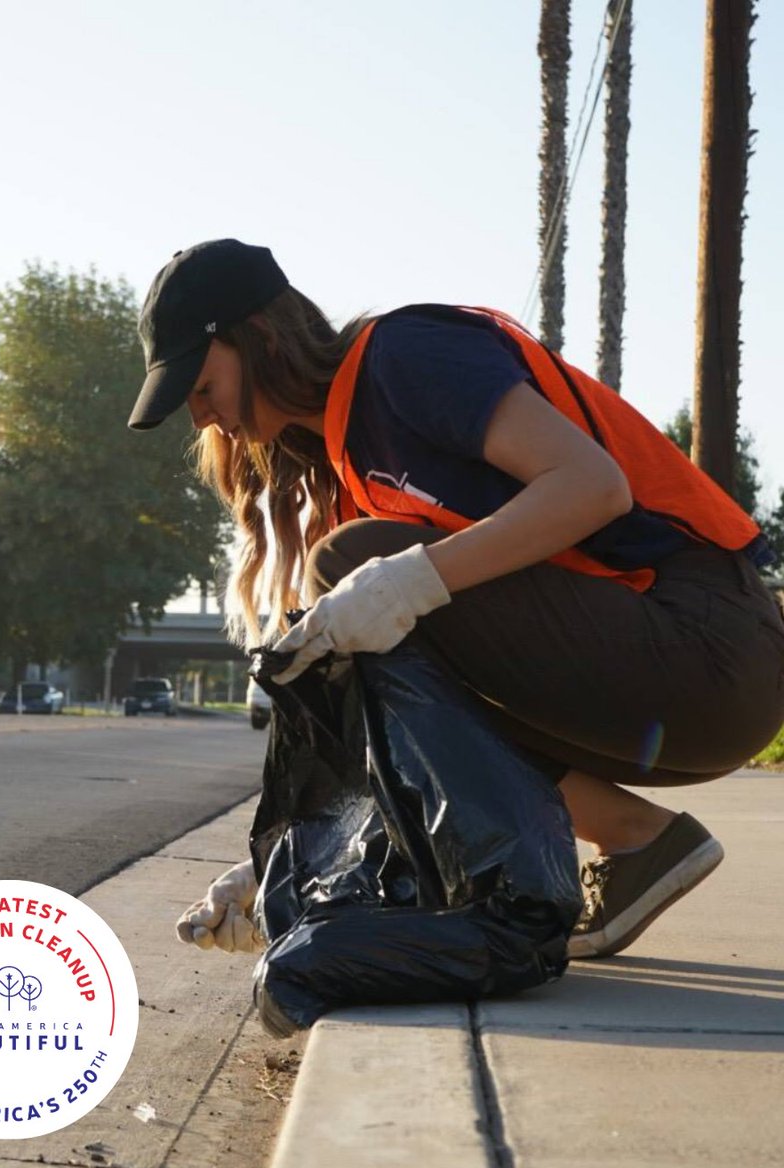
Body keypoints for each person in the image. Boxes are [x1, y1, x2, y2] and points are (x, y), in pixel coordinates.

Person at [128, 238, 784, 962]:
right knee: (363, 628)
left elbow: (593, 486)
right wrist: (283, 867)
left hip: (710, 642)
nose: (200, 418)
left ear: (256, 338)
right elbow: (406, 728)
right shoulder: (351, 473)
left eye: (199, 384)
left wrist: (405, 580)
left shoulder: (403, 355)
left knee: (352, 568)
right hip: (654, 695)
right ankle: (641, 841)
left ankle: (625, 834)